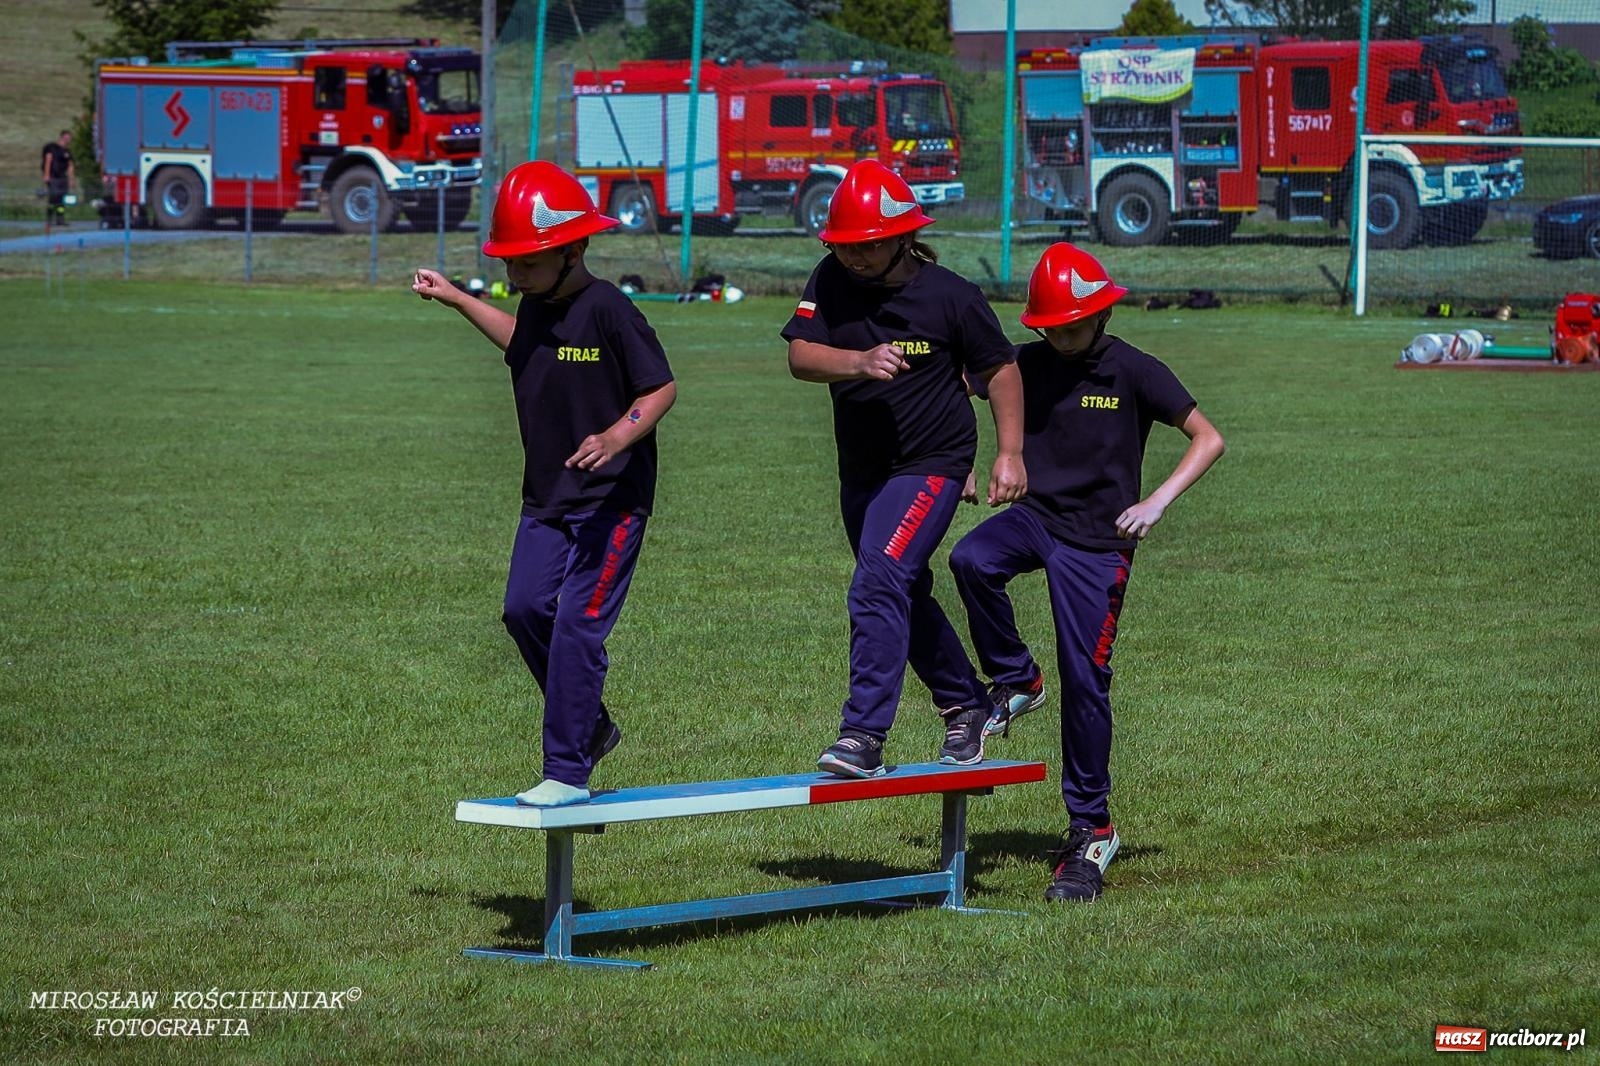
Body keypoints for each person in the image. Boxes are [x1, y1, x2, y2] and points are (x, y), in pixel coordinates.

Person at [949, 242, 1225, 902]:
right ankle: (1017, 678)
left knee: (1087, 679)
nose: (1061, 337)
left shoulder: (1134, 370)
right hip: (1037, 518)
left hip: (1100, 545)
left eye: (1072, 324)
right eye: (1050, 327)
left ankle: (1090, 832)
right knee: (970, 559)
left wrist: (1154, 502)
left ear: (1100, 313)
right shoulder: (1025, 363)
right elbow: (953, 385)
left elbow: (1207, 437)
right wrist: (957, 456)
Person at [411, 161, 677, 807]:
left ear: (573, 249)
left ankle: (567, 771)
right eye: (510, 265)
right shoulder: (533, 306)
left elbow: (660, 386)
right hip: (547, 500)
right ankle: (594, 726)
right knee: (524, 610)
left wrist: (617, 436)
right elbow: (522, 345)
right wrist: (456, 298)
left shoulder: (609, 308)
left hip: (611, 502)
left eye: (527, 264)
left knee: (579, 626)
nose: (515, 276)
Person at [781, 159, 1027, 780]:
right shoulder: (830, 280)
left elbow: (1001, 370)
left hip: (932, 463)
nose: (855, 258)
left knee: (878, 580)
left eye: (867, 247)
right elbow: (801, 357)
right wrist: (859, 361)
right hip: (862, 471)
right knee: (901, 589)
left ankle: (862, 734)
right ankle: (966, 702)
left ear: (903, 237)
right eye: (843, 247)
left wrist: (1008, 453)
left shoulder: (952, 296)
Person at [41, 129, 75, 227]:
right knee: (53, 199)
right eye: (66, 138)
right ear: (62, 137)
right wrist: (46, 174)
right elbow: (48, 160)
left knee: (62, 200)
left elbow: (70, 165)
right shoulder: (52, 147)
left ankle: (60, 219)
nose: (68, 140)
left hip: (62, 178)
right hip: (53, 177)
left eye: (69, 138)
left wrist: (71, 178)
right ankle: (49, 220)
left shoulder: (67, 151)